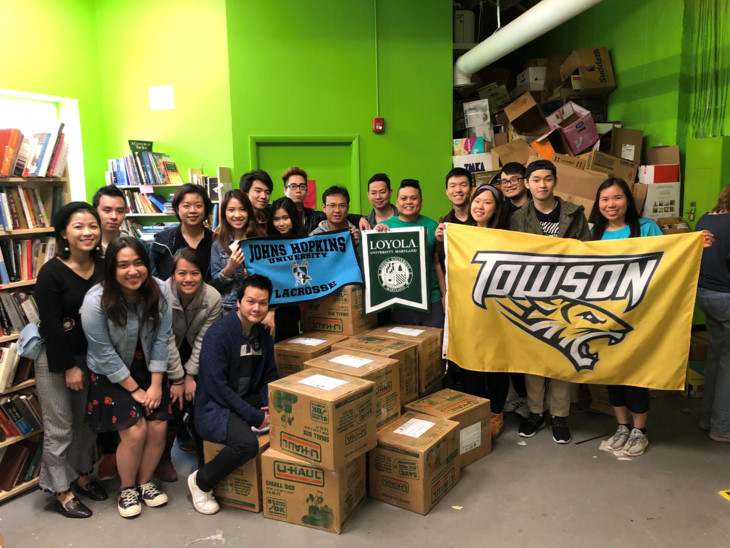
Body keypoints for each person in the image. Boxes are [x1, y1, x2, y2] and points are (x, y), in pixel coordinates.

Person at [81, 236, 173, 518]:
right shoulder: (94, 300)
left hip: (149, 366)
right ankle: (127, 488)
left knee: (158, 427)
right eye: (123, 265)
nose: (132, 271)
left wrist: (155, 385)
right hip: (112, 373)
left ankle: (144, 483)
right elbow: (103, 353)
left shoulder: (160, 290)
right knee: (135, 431)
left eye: (138, 263)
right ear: (112, 269)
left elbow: (161, 339)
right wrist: (135, 390)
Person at [34, 202, 107, 518]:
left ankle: (81, 475)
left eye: (92, 225)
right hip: (57, 358)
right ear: (64, 233)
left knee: (86, 424)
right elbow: (51, 325)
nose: (87, 232)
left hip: (93, 358)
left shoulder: (103, 266)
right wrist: (69, 367)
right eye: (78, 226)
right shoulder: (51, 272)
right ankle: (60, 490)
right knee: (60, 427)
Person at [510, 159, 590, 444]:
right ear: (527, 184)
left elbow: (587, 250)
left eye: (547, 179)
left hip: (567, 294)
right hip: (532, 295)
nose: (542, 185)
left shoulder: (574, 213)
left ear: (555, 181)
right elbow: (512, 254)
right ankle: (535, 412)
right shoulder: (519, 217)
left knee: (561, 354)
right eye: (536, 180)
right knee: (534, 357)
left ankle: (559, 415)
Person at [187, 274, 279, 515]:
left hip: (243, 399)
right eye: (251, 301)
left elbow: (269, 375)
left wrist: (271, 404)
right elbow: (218, 389)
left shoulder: (263, 335)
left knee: (289, 415)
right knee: (247, 445)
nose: (256, 308)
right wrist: (255, 416)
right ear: (238, 302)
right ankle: (200, 482)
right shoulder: (218, 334)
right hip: (215, 406)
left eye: (263, 303)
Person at [589, 177, 663, 456]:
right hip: (606, 318)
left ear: (628, 201)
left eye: (617, 197)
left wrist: (694, 243)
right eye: (605, 199)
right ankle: (622, 426)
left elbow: (671, 257)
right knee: (612, 373)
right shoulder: (593, 234)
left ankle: (639, 431)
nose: (611, 204)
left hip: (640, 316)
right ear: (598, 203)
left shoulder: (646, 228)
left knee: (635, 374)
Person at [436, 184, 510, 439]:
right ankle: (476, 411)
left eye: (487, 202)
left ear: (496, 209)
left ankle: (496, 413)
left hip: (499, 313)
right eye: (477, 201)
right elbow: (448, 266)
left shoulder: (506, 237)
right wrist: (443, 242)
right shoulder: (461, 234)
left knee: (497, 364)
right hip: (469, 311)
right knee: (471, 363)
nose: (480, 206)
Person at [154, 248, 224, 482]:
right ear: (173, 274)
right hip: (166, 354)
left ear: (202, 274)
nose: (188, 279)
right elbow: (164, 338)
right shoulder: (161, 294)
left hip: (199, 354)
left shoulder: (213, 297)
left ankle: (205, 460)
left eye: (194, 273)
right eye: (181, 273)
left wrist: (191, 376)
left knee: (200, 402)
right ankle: (163, 458)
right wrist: (178, 379)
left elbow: (205, 340)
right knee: (172, 403)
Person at [375, 179, 444, 328]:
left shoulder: (433, 226)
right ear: (397, 202)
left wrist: (445, 295)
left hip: (431, 300)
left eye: (413, 198)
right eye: (404, 198)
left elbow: (437, 263)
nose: (408, 202)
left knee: (436, 340)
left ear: (421, 202)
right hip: (398, 301)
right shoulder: (385, 227)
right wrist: (375, 236)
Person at [696, 185, 730, 443]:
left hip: (704, 294)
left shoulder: (705, 219)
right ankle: (721, 427)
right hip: (726, 297)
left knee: (716, 357)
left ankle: (707, 418)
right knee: (728, 364)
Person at [497, 163, 530, 418]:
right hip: (507, 289)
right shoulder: (501, 211)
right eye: (504, 181)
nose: (508, 184)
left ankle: (538, 400)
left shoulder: (539, 209)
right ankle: (521, 397)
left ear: (525, 181)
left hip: (536, 287)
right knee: (512, 347)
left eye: (513, 179)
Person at [210, 189, 262, 312]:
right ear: (224, 213)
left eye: (242, 209)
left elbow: (271, 277)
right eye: (231, 210)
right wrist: (230, 269)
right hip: (229, 308)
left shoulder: (260, 239)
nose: (237, 215)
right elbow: (214, 286)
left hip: (258, 307)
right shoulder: (218, 244)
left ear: (249, 211)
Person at [149, 183, 214, 281]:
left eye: (198, 205)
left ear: (205, 209)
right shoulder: (161, 242)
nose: (192, 210)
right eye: (186, 206)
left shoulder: (216, 240)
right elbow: (153, 277)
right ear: (177, 209)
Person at [266, 197, 303, 341]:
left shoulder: (303, 241)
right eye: (276, 219)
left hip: (293, 305)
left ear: (293, 217)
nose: (281, 223)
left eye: (285, 218)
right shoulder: (265, 244)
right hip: (271, 305)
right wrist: (271, 309)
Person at [436, 168, 474, 274]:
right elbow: (443, 265)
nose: (458, 190)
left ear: (471, 189)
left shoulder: (483, 219)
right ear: (447, 192)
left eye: (463, 185)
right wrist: (440, 242)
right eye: (453, 186)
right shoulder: (444, 225)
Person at [92, 185, 129, 253]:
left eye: (120, 211)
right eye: (107, 210)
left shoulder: (134, 246)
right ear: (95, 211)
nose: (114, 217)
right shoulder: (87, 247)